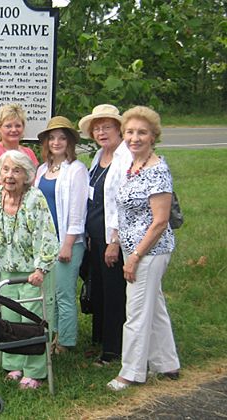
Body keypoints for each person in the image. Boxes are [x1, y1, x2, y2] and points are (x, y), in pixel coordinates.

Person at [107, 106, 180, 391]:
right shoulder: (132, 166)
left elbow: (160, 221)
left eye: (142, 133)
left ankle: (131, 372)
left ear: (153, 136)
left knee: (136, 311)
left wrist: (135, 256)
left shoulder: (157, 170)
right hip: (131, 248)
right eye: (130, 132)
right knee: (155, 305)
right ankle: (167, 363)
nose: (134, 138)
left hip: (149, 251)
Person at [0, 150, 59, 390]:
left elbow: (47, 236)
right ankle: (14, 364)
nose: (10, 176)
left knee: (31, 321)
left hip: (33, 272)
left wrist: (41, 268)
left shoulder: (35, 198)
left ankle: (34, 371)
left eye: (17, 171)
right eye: (6, 170)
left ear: (27, 176)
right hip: (8, 269)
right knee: (10, 319)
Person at [0, 104, 39, 343]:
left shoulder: (29, 154)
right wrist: (9, 211)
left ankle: (15, 330)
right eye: (8, 125)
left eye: (18, 125)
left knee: (16, 274)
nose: (13, 129)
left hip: (23, 225)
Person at [78, 104, 131, 366]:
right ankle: (99, 339)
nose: (101, 132)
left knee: (113, 293)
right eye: (97, 128)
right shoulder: (99, 156)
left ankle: (113, 350)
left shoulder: (125, 158)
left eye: (107, 127)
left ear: (119, 129)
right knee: (97, 288)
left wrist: (114, 241)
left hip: (113, 239)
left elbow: (123, 204)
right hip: (95, 235)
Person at [34, 116, 88, 354]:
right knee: (48, 294)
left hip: (67, 242)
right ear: (46, 142)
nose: (57, 142)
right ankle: (51, 335)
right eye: (52, 138)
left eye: (62, 138)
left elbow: (77, 211)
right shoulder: (42, 170)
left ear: (70, 142)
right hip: (45, 243)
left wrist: (67, 244)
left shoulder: (76, 170)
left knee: (64, 293)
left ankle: (65, 341)